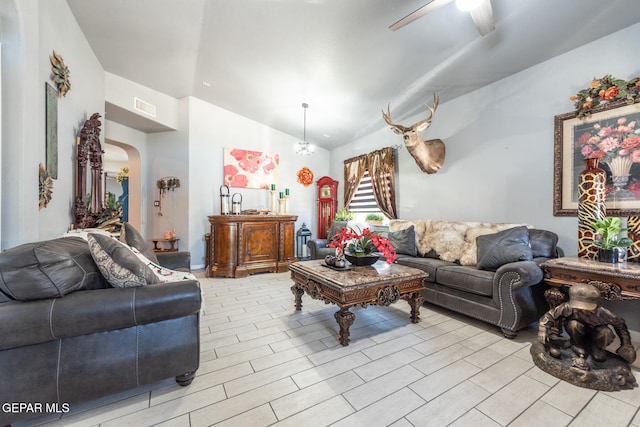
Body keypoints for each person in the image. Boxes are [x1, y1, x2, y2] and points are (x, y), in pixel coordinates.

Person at [538, 283, 636, 369]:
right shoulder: (568, 307)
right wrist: (543, 329)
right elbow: (550, 315)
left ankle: (597, 349)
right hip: (578, 332)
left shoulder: (603, 313)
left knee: (606, 332)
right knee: (573, 324)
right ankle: (577, 345)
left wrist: (626, 344)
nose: (583, 310)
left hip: (596, 334)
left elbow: (620, 324)